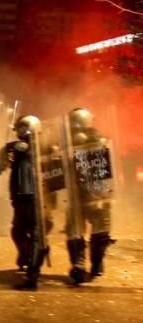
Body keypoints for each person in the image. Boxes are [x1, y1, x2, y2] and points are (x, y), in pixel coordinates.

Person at [0, 114, 51, 289]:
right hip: (20, 199)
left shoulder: (46, 147)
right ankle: (26, 257)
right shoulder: (12, 148)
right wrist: (8, 157)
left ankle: (32, 274)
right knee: (18, 232)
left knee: (38, 235)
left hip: (41, 199)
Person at [65, 107, 115, 284]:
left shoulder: (97, 140)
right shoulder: (65, 141)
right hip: (83, 194)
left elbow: (106, 168)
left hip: (94, 193)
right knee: (78, 233)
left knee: (96, 234)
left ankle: (93, 263)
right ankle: (82, 265)